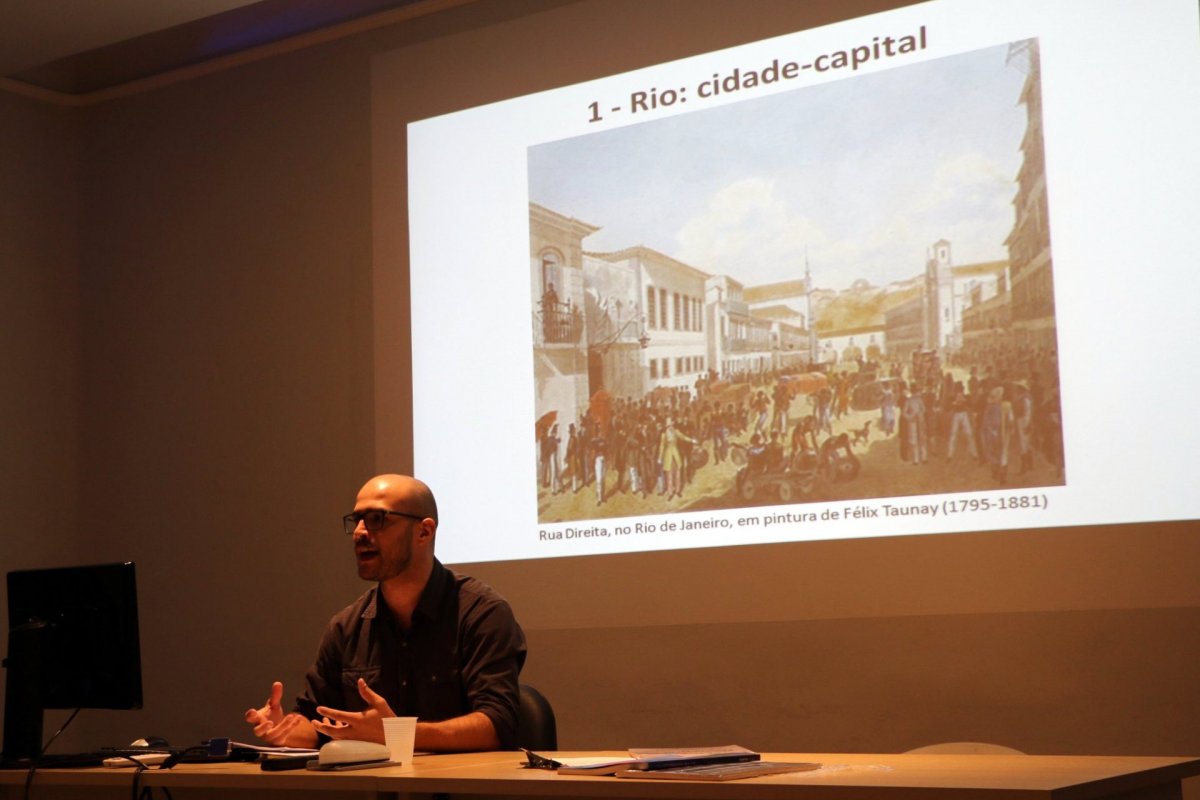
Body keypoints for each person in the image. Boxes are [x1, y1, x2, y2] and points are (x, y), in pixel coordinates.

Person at [243, 474, 526, 751]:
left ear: (424, 532)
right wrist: (285, 729)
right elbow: (316, 724)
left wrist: (396, 734)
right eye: (357, 520)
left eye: (377, 519)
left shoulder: (482, 614)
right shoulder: (345, 627)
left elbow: (498, 725)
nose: (359, 532)